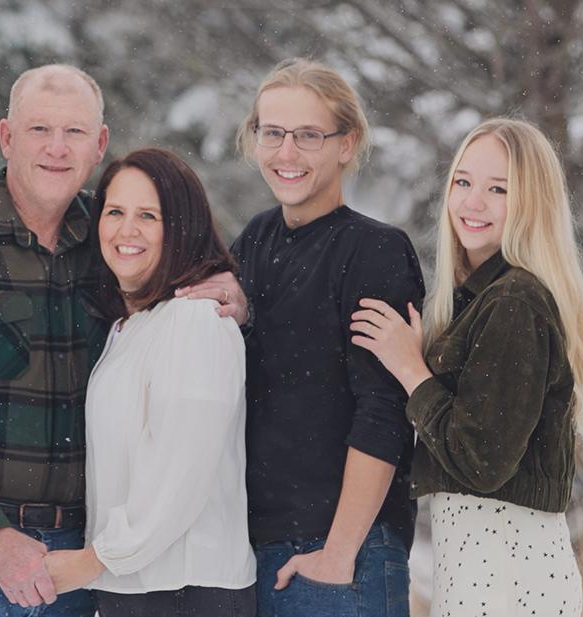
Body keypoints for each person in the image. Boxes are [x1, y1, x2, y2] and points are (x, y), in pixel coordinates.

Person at [0, 65, 246, 617]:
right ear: (7, 137)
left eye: (75, 132)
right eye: (39, 130)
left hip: (77, 553)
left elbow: (170, 331)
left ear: (99, 143)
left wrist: (228, 296)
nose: (57, 148)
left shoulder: (112, 241)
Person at [350, 118, 583, 617]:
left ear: (533, 203)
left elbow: (482, 459)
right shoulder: (485, 302)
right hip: (486, 569)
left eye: (499, 189)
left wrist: (411, 370)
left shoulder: (515, 301)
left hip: (507, 576)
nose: (472, 202)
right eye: (463, 182)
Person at [231, 58, 424, 617]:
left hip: (343, 556)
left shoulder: (375, 252)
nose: (286, 153)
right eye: (272, 133)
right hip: (254, 551)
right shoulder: (254, 240)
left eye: (309, 136)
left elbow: (384, 411)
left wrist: (338, 554)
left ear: (347, 143)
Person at [42, 148, 257, 616]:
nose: (126, 230)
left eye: (148, 216)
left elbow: (179, 466)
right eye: (115, 212)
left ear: (181, 227)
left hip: (185, 589)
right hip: (136, 587)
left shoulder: (195, 319)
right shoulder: (132, 326)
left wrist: (97, 559)